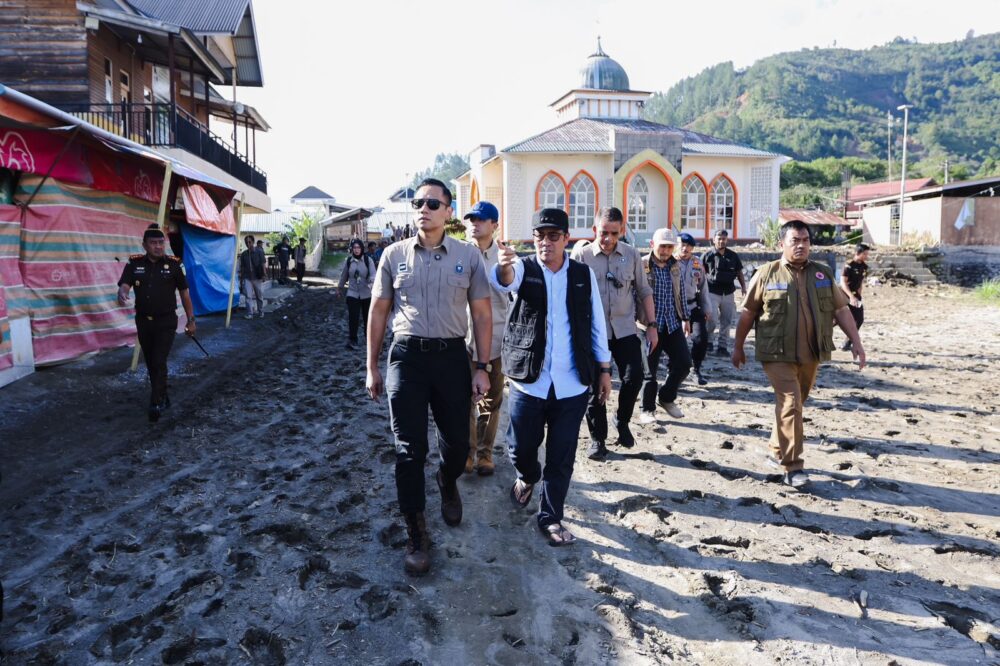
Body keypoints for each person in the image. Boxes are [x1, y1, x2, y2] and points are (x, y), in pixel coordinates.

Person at [366, 178, 493, 576]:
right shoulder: (393, 255)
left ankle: (446, 479)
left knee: (457, 445)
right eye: (419, 202)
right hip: (406, 359)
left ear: (448, 211)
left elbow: (483, 315)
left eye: (433, 203)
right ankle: (417, 532)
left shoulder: (467, 256)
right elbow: (378, 311)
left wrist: (482, 366)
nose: (424, 208)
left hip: (453, 357)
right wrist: (371, 366)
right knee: (408, 449)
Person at [491, 208, 613, 546]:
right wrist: (503, 263)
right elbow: (503, 280)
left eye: (553, 235)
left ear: (566, 238)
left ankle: (551, 516)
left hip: (572, 383)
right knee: (520, 447)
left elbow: (596, 325)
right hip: (529, 381)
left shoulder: (582, 275)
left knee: (561, 456)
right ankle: (527, 477)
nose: (546, 242)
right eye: (540, 235)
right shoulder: (523, 268)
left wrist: (604, 369)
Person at [732, 219, 866, 488]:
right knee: (791, 403)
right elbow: (748, 313)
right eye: (796, 240)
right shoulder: (766, 274)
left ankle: (775, 447)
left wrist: (856, 342)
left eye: (806, 241)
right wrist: (738, 346)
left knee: (793, 404)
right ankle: (793, 467)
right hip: (776, 353)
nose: (802, 245)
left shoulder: (823, 274)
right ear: (782, 244)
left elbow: (841, 310)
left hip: (811, 352)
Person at [570, 207, 655, 459]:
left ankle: (622, 420)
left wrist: (651, 326)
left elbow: (644, 291)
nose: (607, 238)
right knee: (595, 386)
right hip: (594, 333)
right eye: (603, 232)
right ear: (595, 229)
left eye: (613, 233)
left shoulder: (630, 255)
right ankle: (598, 439)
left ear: (622, 231)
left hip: (625, 330)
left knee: (634, 377)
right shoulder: (582, 256)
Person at [117, 224, 196, 422]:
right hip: (143, 322)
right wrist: (123, 292)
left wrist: (191, 320)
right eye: (153, 243)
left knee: (159, 360)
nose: (158, 247)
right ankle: (163, 394)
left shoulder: (175, 264)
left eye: (161, 243)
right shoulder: (134, 264)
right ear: (144, 245)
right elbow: (125, 284)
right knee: (152, 361)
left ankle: (155, 402)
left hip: (166, 321)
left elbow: (185, 293)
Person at [461, 201, 508, 476]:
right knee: (465, 399)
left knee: (492, 401)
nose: (473, 224)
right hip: (464, 338)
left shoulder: (504, 258)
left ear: (494, 225)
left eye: (480, 219)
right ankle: (468, 453)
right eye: (471, 219)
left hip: (497, 340)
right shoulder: (461, 254)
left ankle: (485, 454)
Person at [638, 228, 691, 423]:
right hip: (648, 325)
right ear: (653, 245)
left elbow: (680, 292)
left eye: (670, 247)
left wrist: (685, 318)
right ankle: (647, 409)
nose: (666, 251)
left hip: (672, 323)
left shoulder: (675, 266)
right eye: (663, 246)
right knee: (649, 371)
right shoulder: (642, 264)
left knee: (684, 363)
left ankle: (667, 398)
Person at [702, 229, 746, 355]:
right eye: (719, 238)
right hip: (712, 292)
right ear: (713, 240)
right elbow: (699, 273)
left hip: (728, 293)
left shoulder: (733, 256)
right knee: (712, 319)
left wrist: (743, 287)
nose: (721, 241)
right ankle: (709, 341)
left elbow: (739, 272)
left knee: (727, 321)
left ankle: (722, 346)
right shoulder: (707, 256)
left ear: (727, 240)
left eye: (724, 239)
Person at [677, 232, 712, 385]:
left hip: (692, 305)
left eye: (689, 246)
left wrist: (707, 308)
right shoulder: (669, 261)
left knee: (701, 338)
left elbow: (703, 287)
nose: (685, 249)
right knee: (676, 342)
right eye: (682, 245)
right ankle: (673, 372)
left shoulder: (697, 263)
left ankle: (695, 370)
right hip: (674, 308)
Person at [337, 239, 375, 349]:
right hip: (352, 293)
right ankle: (353, 339)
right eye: (354, 248)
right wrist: (339, 288)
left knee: (367, 318)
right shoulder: (349, 261)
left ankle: (369, 339)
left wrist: (372, 282)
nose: (357, 250)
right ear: (352, 249)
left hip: (366, 293)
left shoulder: (369, 260)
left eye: (358, 248)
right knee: (353, 317)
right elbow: (344, 275)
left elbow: (373, 274)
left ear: (362, 248)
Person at [840, 243, 870, 351]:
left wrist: (858, 296)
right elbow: (843, 283)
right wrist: (851, 297)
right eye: (865, 254)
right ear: (858, 253)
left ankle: (847, 342)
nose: (867, 256)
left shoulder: (864, 266)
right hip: (844, 295)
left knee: (859, 319)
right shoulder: (849, 265)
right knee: (835, 320)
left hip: (855, 296)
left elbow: (860, 282)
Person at [239, 234, 266, 319]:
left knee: (259, 295)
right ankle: (250, 313)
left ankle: (261, 311)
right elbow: (242, 267)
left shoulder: (259, 252)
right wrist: (241, 279)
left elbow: (263, 264)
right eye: (246, 243)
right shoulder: (244, 254)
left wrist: (264, 275)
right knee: (248, 296)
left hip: (257, 277)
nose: (248, 244)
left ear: (253, 242)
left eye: (250, 242)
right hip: (247, 277)